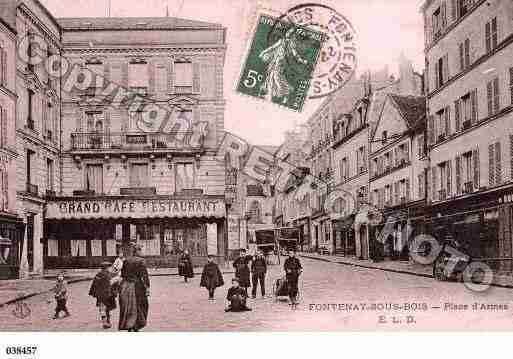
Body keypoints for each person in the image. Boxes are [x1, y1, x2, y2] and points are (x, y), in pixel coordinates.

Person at [118, 243, 150, 332]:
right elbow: (144, 276)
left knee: (128, 306)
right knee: (141, 305)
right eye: (141, 250)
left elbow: (123, 275)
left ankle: (129, 325)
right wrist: (147, 288)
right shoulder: (141, 261)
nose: (142, 252)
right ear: (138, 251)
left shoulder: (126, 260)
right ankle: (136, 326)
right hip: (137, 286)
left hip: (126, 287)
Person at [89, 261, 117, 329]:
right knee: (107, 308)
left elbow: (94, 285)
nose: (110, 268)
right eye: (109, 267)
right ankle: (107, 321)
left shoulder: (98, 275)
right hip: (108, 295)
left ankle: (105, 322)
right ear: (107, 268)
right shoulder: (110, 275)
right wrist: (115, 292)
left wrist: (94, 293)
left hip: (101, 295)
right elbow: (113, 285)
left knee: (102, 308)